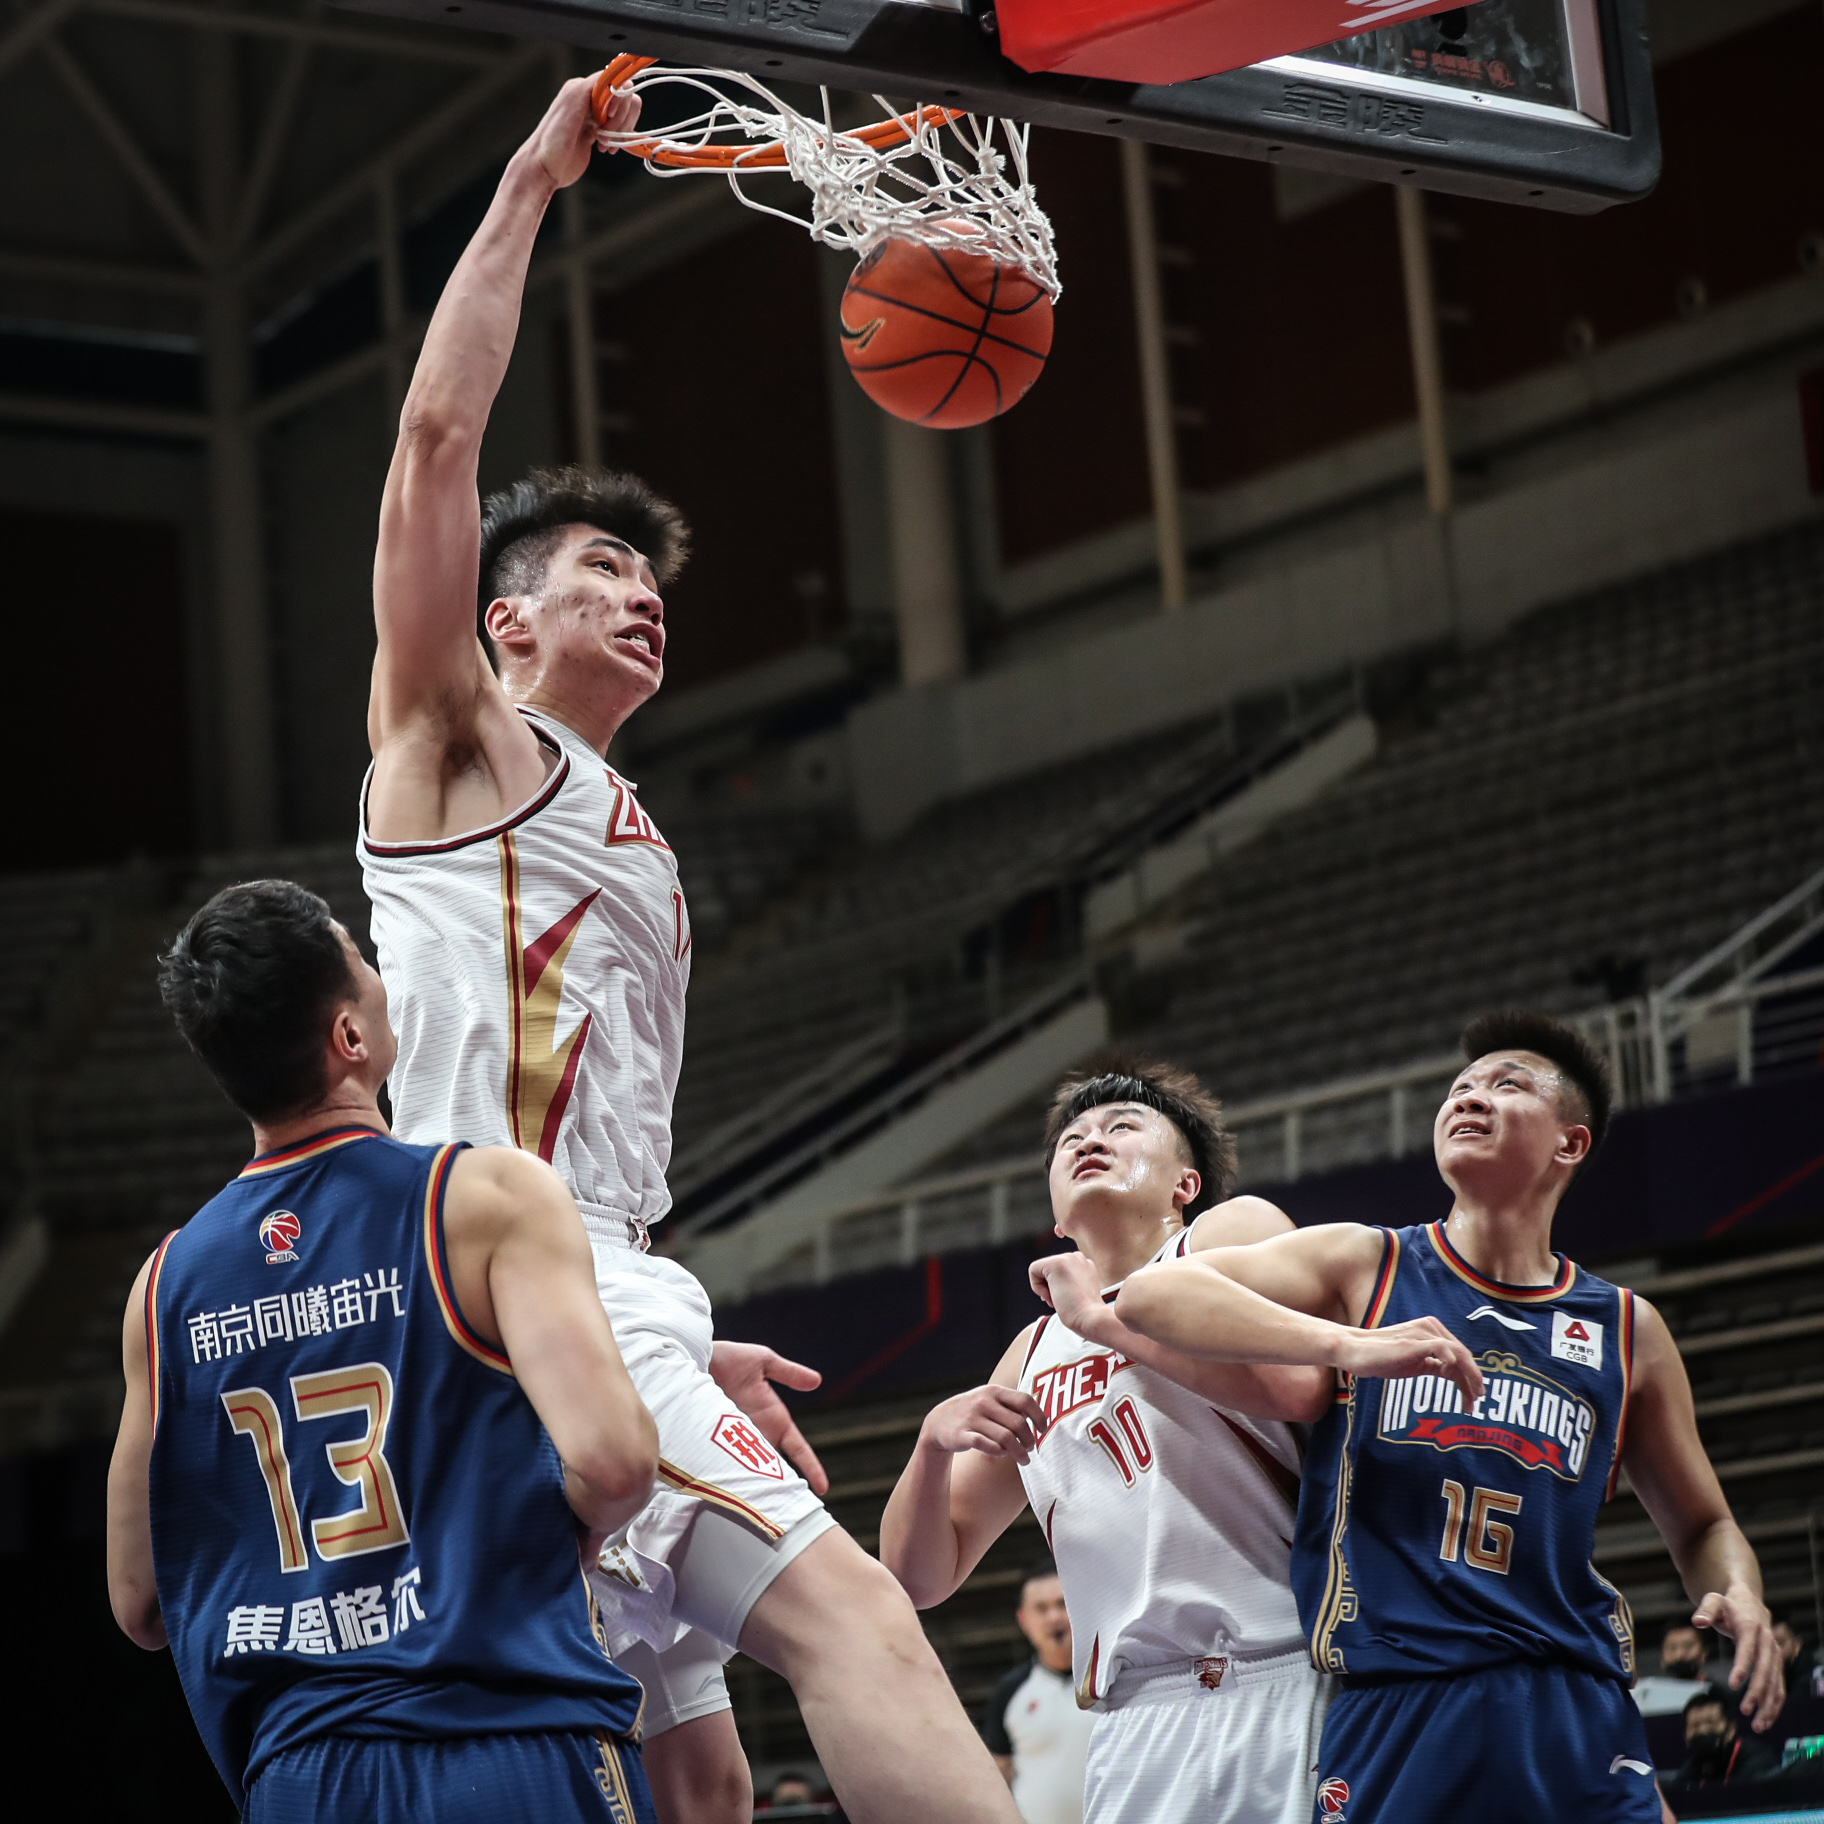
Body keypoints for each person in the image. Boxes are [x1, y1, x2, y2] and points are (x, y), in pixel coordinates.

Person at [361, 70, 1021, 1824]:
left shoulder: (621, 816)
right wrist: (523, 182)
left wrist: (642, 1315)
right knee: (858, 1623)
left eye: (652, 575)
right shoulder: (457, 745)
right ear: (503, 622)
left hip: (574, 1295)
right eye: (598, 564)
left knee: (700, 1774)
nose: (642, 589)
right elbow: (435, 443)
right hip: (528, 1283)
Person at [1104, 1010, 1786, 1824]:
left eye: (1507, 1085)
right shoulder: (1370, 1264)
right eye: (1460, 1087)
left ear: (1570, 1143)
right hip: (1400, 1697)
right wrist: (1352, 1348)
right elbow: (1149, 1296)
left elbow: (1704, 1524)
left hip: (1572, 1697)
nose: (1471, 1097)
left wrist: (1740, 1593)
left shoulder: (1625, 1330)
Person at [106, 881, 661, 1820]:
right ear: (350, 1040)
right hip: (508, 1732)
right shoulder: (481, 1196)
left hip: (304, 1773)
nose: (378, 974)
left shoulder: (163, 1288)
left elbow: (139, 1598)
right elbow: (613, 1466)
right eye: (363, 960)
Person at [881, 1061, 1336, 1824]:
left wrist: (1104, 1320)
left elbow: (1302, 1384)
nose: (1091, 1138)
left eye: (1124, 1127)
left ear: (1185, 1187)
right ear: (1057, 1216)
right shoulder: (1030, 1350)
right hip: (1130, 1720)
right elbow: (918, 1579)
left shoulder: (1229, 1237)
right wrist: (929, 1451)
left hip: (1281, 1674)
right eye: (1072, 1139)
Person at [982, 1563, 1095, 1824]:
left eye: (1062, 1604)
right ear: (1023, 1620)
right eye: (1041, 1609)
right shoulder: (1010, 1692)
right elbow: (998, 1775)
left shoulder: (1115, 1678)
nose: (1053, 1617)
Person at [1662, 1690, 1780, 1799]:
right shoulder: (1692, 1768)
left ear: (1731, 1729)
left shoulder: (1757, 1760)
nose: (1703, 1731)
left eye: (1711, 1723)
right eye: (1695, 1725)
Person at [1634, 1621, 1714, 1716]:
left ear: (1704, 1653)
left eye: (1688, 1646)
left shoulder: (1717, 1694)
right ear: (1662, 1658)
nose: (1680, 1655)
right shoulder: (1644, 1698)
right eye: (1672, 1648)